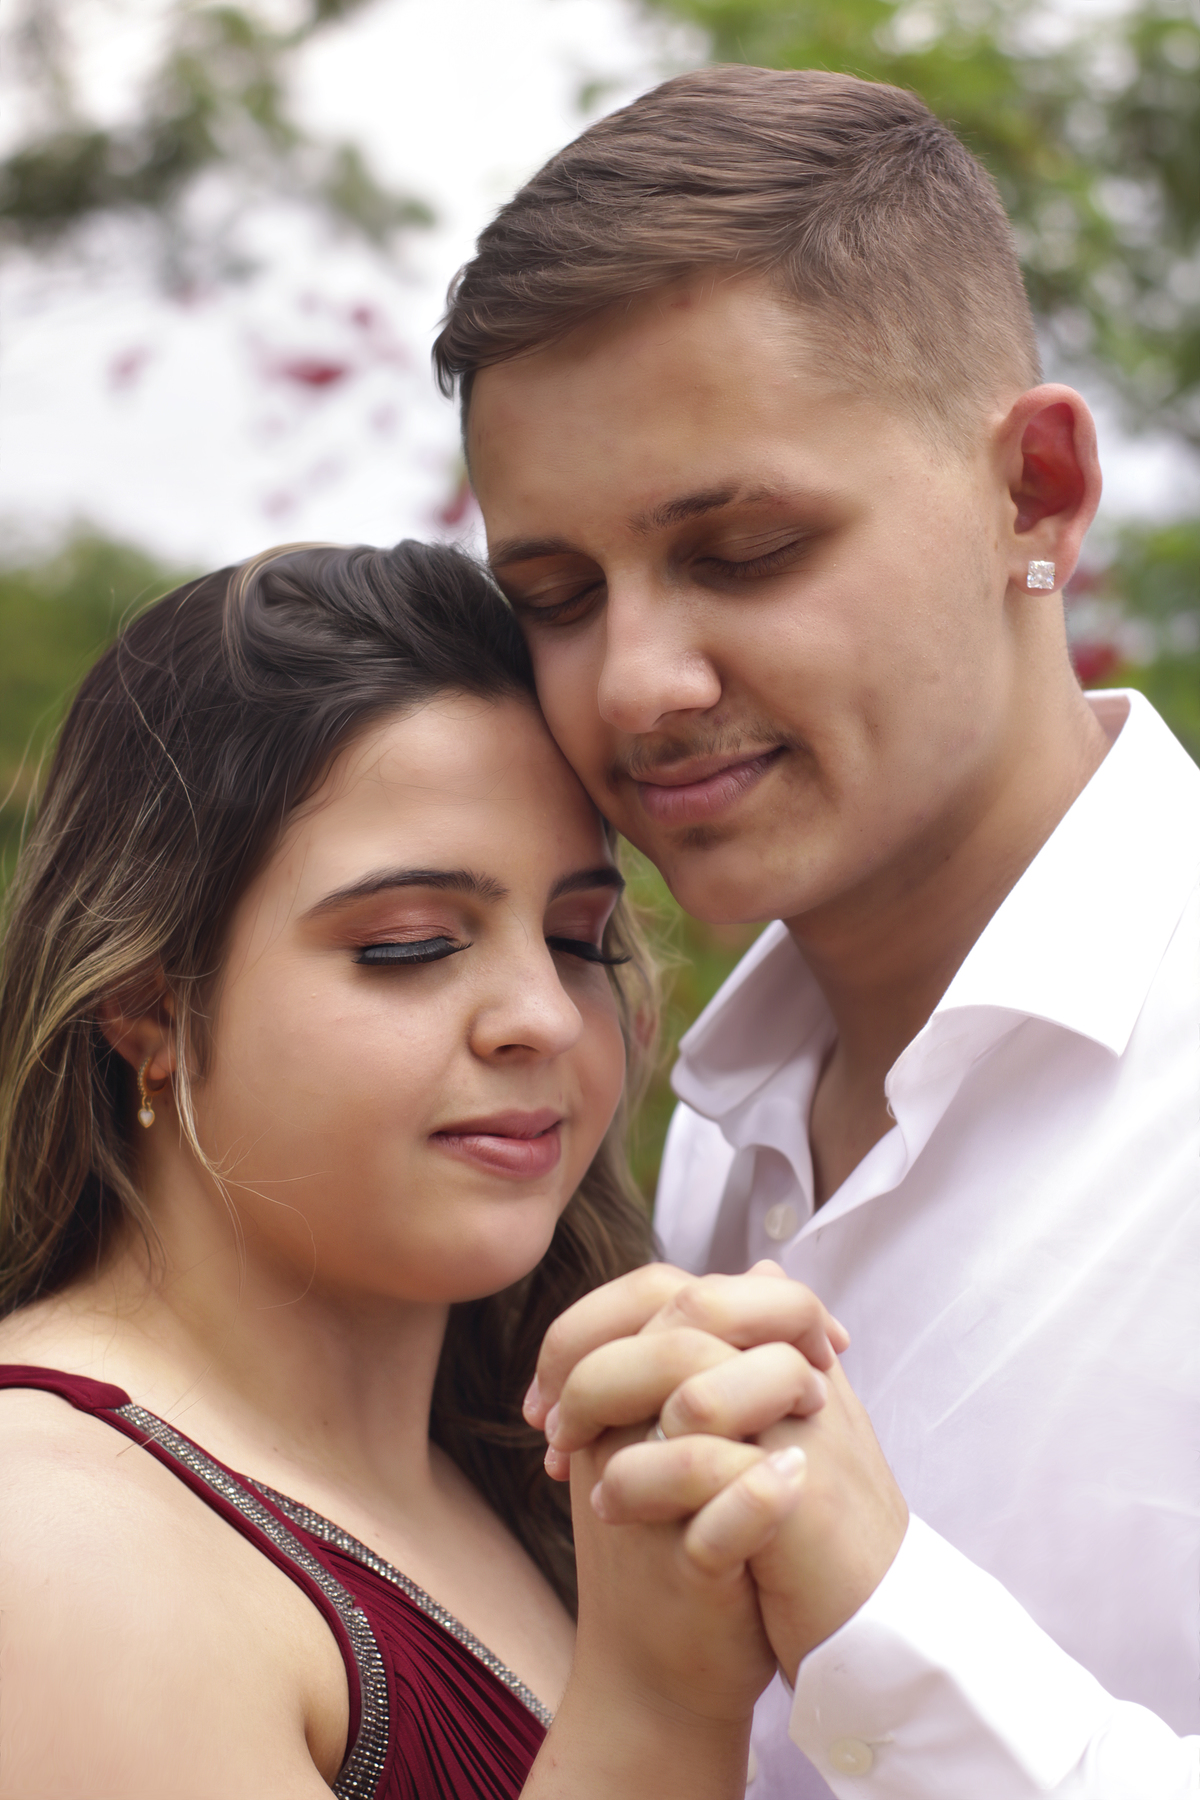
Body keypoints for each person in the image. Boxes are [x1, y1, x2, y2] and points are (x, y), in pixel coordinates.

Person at [433, 64, 1200, 1799]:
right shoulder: (687, 1157)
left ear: (1040, 490)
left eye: (748, 548)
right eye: (554, 600)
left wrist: (883, 1619)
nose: (638, 684)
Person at [0, 537, 847, 1800]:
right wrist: (660, 1708)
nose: (543, 1019)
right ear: (146, 1006)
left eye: (576, 939)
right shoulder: (54, 1543)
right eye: (409, 945)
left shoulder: (526, 1466)